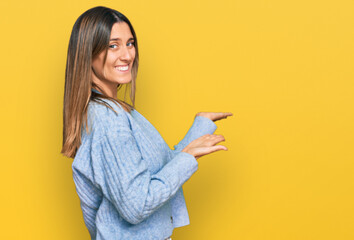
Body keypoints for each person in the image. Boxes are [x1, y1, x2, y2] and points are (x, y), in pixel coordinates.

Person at [61, 6, 233, 240]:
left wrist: (198, 129)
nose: (127, 55)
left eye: (130, 43)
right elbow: (136, 205)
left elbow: (154, 172)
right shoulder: (108, 119)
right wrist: (187, 158)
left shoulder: (117, 111)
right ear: (88, 53)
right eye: (113, 45)